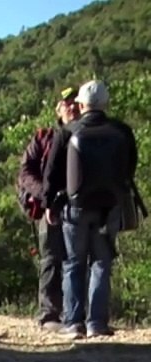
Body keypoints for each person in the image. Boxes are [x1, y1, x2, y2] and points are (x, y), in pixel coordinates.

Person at [43, 79, 138, 339]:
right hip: (110, 207)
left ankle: (73, 324)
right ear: (105, 103)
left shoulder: (68, 131)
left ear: (82, 104)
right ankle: (97, 323)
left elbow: (51, 171)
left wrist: (48, 203)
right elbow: (130, 167)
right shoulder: (122, 131)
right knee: (101, 263)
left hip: (75, 208)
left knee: (73, 263)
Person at [17, 87, 80, 331]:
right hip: (49, 207)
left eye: (76, 102)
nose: (72, 107)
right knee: (52, 258)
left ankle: (77, 314)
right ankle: (49, 315)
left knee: (80, 259)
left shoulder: (90, 135)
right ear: (58, 109)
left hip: (82, 205)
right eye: (67, 103)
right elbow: (25, 171)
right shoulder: (43, 137)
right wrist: (45, 196)